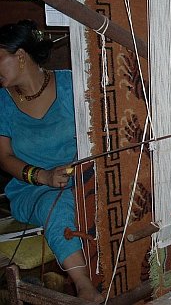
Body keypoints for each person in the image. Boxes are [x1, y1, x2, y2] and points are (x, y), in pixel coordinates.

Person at [0, 20, 102, 302]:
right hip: (32, 189)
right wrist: (43, 176)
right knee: (55, 207)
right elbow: (4, 157)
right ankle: (84, 285)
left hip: (81, 178)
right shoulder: (2, 102)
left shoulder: (71, 84)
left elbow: (100, 130)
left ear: (20, 56)